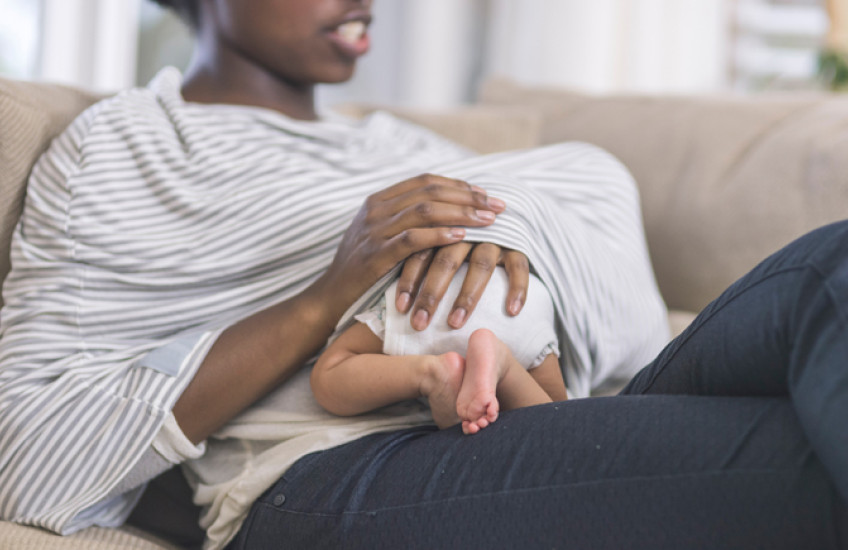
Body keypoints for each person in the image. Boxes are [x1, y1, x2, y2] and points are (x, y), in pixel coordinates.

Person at [0, 1, 845, 549]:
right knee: (793, 461)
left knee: (832, 264)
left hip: (554, 405)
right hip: (334, 472)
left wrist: (516, 223)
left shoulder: (408, 150)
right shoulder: (129, 148)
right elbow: (29, 450)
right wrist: (332, 292)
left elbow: (618, 317)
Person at [311, 263, 568, 434]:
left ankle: (433, 373)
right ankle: (504, 364)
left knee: (330, 371)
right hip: (520, 297)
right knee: (557, 419)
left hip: (427, 292)